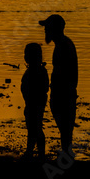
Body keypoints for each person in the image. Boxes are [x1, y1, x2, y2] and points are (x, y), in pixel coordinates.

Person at [39, 14, 78, 158]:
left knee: (65, 124)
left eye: (47, 28)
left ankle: (67, 153)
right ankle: (67, 152)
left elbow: (63, 72)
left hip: (64, 92)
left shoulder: (63, 46)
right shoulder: (64, 44)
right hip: (65, 91)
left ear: (53, 29)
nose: (45, 31)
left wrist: (58, 91)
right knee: (65, 125)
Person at [21, 42, 49, 161]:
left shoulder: (38, 71)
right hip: (34, 103)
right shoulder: (41, 71)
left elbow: (44, 88)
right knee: (33, 128)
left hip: (34, 103)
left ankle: (36, 153)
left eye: (26, 54)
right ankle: (32, 152)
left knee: (35, 128)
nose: (25, 56)